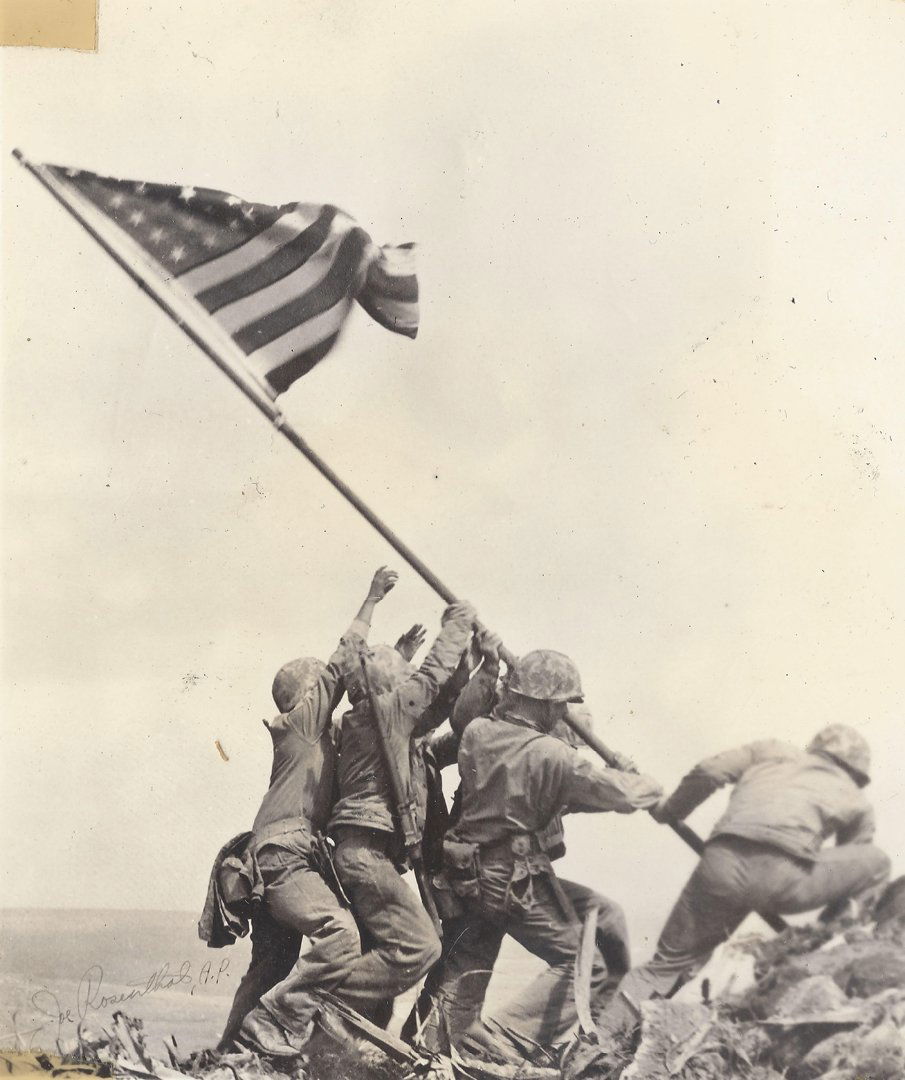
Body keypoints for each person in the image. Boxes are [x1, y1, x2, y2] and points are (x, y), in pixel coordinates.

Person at [423, 645, 663, 1060]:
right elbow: (623, 795)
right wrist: (639, 780)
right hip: (510, 877)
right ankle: (503, 1038)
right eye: (561, 704)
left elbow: (548, 792)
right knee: (583, 965)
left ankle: (436, 1048)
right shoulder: (553, 756)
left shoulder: (479, 733)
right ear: (547, 704)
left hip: (468, 873)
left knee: (468, 969)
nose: (563, 713)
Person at [595, 723, 892, 1044]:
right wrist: (825, 930)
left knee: (664, 966)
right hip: (784, 879)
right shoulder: (856, 799)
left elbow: (709, 771)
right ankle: (832, 944)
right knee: (877, 862)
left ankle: (597, 1044)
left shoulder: (771, 750)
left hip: (720, 866)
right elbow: (852, 861)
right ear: (856, 771)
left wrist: (670, 810)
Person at [214, 567, 399, 1055]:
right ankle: (275, 1026)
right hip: (285, 856)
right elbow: (341, 667)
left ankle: (230, 1054)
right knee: (340, 934)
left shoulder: (312, 739)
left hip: (276, 856)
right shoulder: (300, 725)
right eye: (321, 690)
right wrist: (371, 600)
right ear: (306, 695)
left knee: (272, 962)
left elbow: (366, 694)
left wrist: (399, 660)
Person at [324, 599, 478, 1026]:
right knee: (421, 948)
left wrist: (469, 662)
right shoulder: (385, 713)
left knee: (386, 957)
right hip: (365, 856)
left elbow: (438, 704)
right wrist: (458, 623)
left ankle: (341, 1041)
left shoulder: (370, 721)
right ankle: (315, 997)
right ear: (391, 686)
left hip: (365, 855)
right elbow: (430, 681)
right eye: (402, 678)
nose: (411, 684)